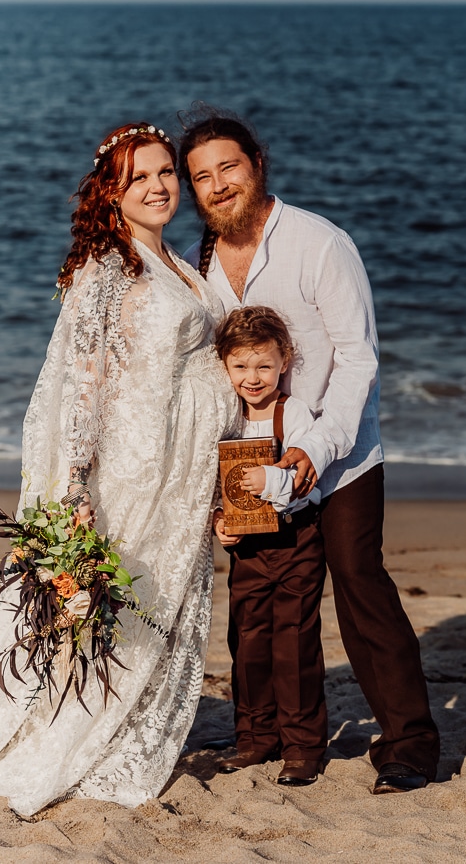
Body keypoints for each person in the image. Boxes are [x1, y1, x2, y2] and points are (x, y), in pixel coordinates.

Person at [0, 123, 239, 816]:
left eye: (164, 173)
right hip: (134, 472)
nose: (157, 186)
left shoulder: (173, 259)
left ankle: (119, 725)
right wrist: (76, 490)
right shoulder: (110, 267)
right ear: (110, 193)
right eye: (138, 177)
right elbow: (81, 385)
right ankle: (65, 733)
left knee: (162, 606)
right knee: (125, 607)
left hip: (179, 474)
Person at [178, 112, 440, 794]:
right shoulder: (204, 259)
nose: (217, 184)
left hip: (340, 452)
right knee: (257, 609)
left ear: (256, 163)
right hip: (253, 465)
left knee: (358, 584)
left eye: (227, 167)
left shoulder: (320, 243)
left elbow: (358, 359)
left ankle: (409, 743)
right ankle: (260, 735)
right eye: (201, 177)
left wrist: (316, 447)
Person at [213, 306, 327, 787]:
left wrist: (272, 479)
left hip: (297, 539)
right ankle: (255, 738)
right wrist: (220, 522)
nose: (252, 377)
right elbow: (213, 483)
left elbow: (311, 483)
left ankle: (301, 746)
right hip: (247, 552)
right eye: (240, 366)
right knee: (248, 641)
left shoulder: (293, 412)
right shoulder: (225, 416)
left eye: (263, 365)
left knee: (294, 645)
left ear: (285, 361)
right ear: (224, 366)